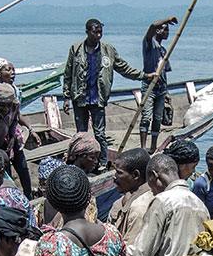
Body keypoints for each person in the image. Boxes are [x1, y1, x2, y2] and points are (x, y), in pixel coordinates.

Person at [62, 18, 153, 170]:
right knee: (81, 134)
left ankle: (102, 163)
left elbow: (123, 68)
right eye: (95, 32)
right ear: (87, 32)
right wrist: (66, 97)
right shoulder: (76, 49)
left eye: (100, 32)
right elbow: (68, 73)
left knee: (100, 134)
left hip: (98, 98)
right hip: (80, 98)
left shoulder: (108, 50)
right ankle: (80, 163)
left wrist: (144, 76)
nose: (98, 35)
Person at [131, 154, 209, 256]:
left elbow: (140, 254)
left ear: (154, 176)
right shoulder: (201, 205)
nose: (153, 192)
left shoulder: (162, 201)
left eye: (151, 187)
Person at [0, 82, 34, 197]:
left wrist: (12, 137)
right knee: (5, 172)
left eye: (8, 104)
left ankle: (28, 195)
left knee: (22, 167)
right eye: (2, 105)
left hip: (10, 140)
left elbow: (14, 120)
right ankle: (9, 196)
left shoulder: (14, 105)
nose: (5, 108)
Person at [139, 16, 177, 151]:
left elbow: (164, 73)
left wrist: (166, 92)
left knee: (157, 118)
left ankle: (153, 146)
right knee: (146, 117)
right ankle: (143, 148)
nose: (167, 32)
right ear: (158, 31)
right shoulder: (149, 43)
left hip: (161, 89)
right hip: (149, 86)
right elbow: (152, 26)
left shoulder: (163, 51)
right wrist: (166, 20)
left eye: (168, 30)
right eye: (165, 29)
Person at [108, 147, 154, 244]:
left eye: (119, 172)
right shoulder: (126, 198)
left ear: (135, 175)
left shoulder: (139, 209)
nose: (114, 176)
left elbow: (129, 252)